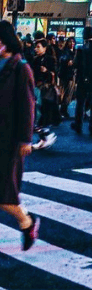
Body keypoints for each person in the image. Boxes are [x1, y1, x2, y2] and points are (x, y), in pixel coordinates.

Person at [0, 21, 39, 251]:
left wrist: (26, 138)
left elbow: (28, 106)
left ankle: (26, 222)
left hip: (9, 139)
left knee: (5, 193)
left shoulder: (20, 68)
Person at [57, 36, 77, 119]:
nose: (72, 44)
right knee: (66, 93)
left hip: (72, 74)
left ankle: (63, 109)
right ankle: (63, 109)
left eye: (73, 42)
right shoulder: (65, 52)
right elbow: (62, 60)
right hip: (66, 74)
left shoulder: (75, 52)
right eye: (70, 42)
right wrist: (68, 61)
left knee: (69, 93)